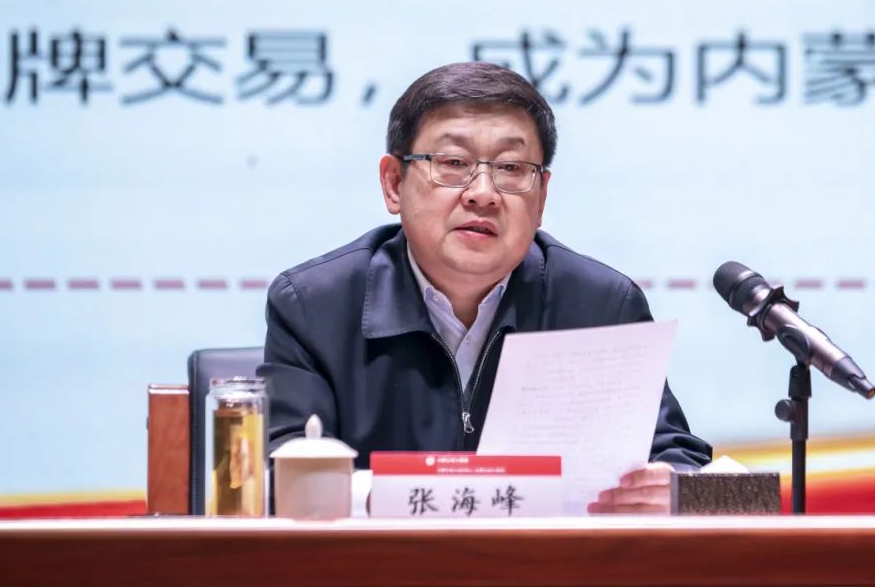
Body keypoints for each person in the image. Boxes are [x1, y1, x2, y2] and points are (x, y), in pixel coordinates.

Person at [258, 61, 711, 514]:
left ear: (541, 197)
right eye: (453, 163)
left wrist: (669, 487)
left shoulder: (602, 305)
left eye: (511, 167)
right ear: (394, 183)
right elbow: (275, 472)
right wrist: (395, 495)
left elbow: (678, 459)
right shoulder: (314, 306)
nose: (483, 193)